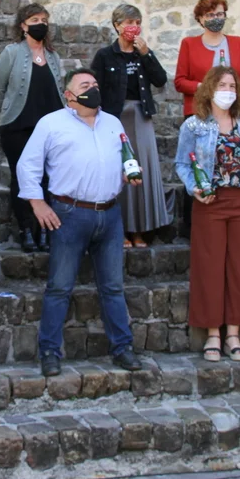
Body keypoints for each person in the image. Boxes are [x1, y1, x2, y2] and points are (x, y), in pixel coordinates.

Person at [18, 68, 143, 378]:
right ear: (69, 95)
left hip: (110, 214)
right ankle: (49, 351)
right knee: (59, 287)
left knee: (113, 287)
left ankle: (122, 347)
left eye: (95, 83)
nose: (93, 88)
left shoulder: (113, 123)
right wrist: (37, 203)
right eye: (86, 85)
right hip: (69, 214)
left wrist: (128, 174)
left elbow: (124, 159)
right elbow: (27, 165)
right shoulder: (51, 124)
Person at [174, 67, 240, 362]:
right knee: (209, 267)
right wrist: (194, 188)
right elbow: (181, 164)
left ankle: (233, 334)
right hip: (210, 202)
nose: (228, 90)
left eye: (232, 86)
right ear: (209, 89)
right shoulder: (194, 126)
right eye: (222, 85)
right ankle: (213, 333)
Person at [173, 0, 240, 241]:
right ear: (200, 19)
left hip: (232, 116)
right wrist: (206, 89)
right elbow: (180, 81)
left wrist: (234, 91)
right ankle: (195, 227)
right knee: (199, 169)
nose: (216, 18)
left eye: (220, 14)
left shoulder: (237, 44)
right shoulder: (189, 44)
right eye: (210, 15)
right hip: (200, 116)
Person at [91, 4, 171, 248]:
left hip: (141, 116)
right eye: (128, 22)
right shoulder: (105, 55)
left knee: (141, 170)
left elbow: (160, 80)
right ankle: (121, 229)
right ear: (117, 25)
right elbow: (95, 88)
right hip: (114, 118)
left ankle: (139, 230)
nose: (133, 27)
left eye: (137, 22)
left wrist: (147, 54)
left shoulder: (142, 53)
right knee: (118, 170)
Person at [0, 3, 65, 253]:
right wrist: (6, 112)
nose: (40, 24)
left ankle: (45, 230)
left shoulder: (53, 56)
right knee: (22, 177)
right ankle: (26, 230)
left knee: (48, 178)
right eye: (34, 20)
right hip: (18, 127)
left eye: (44, 20)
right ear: (23, 26)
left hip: (51, 129)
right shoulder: (12, 52)